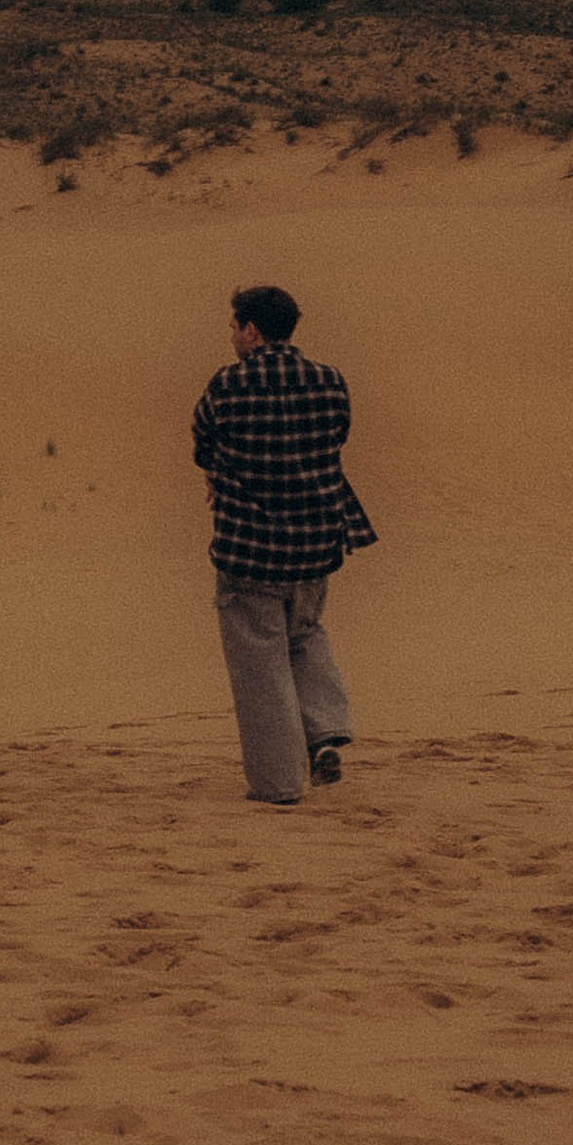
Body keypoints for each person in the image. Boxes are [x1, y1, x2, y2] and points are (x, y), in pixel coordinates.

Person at [191, 282, 375, 806]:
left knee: (259, 659)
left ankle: (276, 784)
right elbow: (337, 436)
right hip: (316, 541)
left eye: (233, 327)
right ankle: (325, 733)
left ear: (252, 330)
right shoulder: (328, 381)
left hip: (250, 547)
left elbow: (202, 441)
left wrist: (221, 473)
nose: (230, 336)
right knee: (306, 632)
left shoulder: (228, 385)